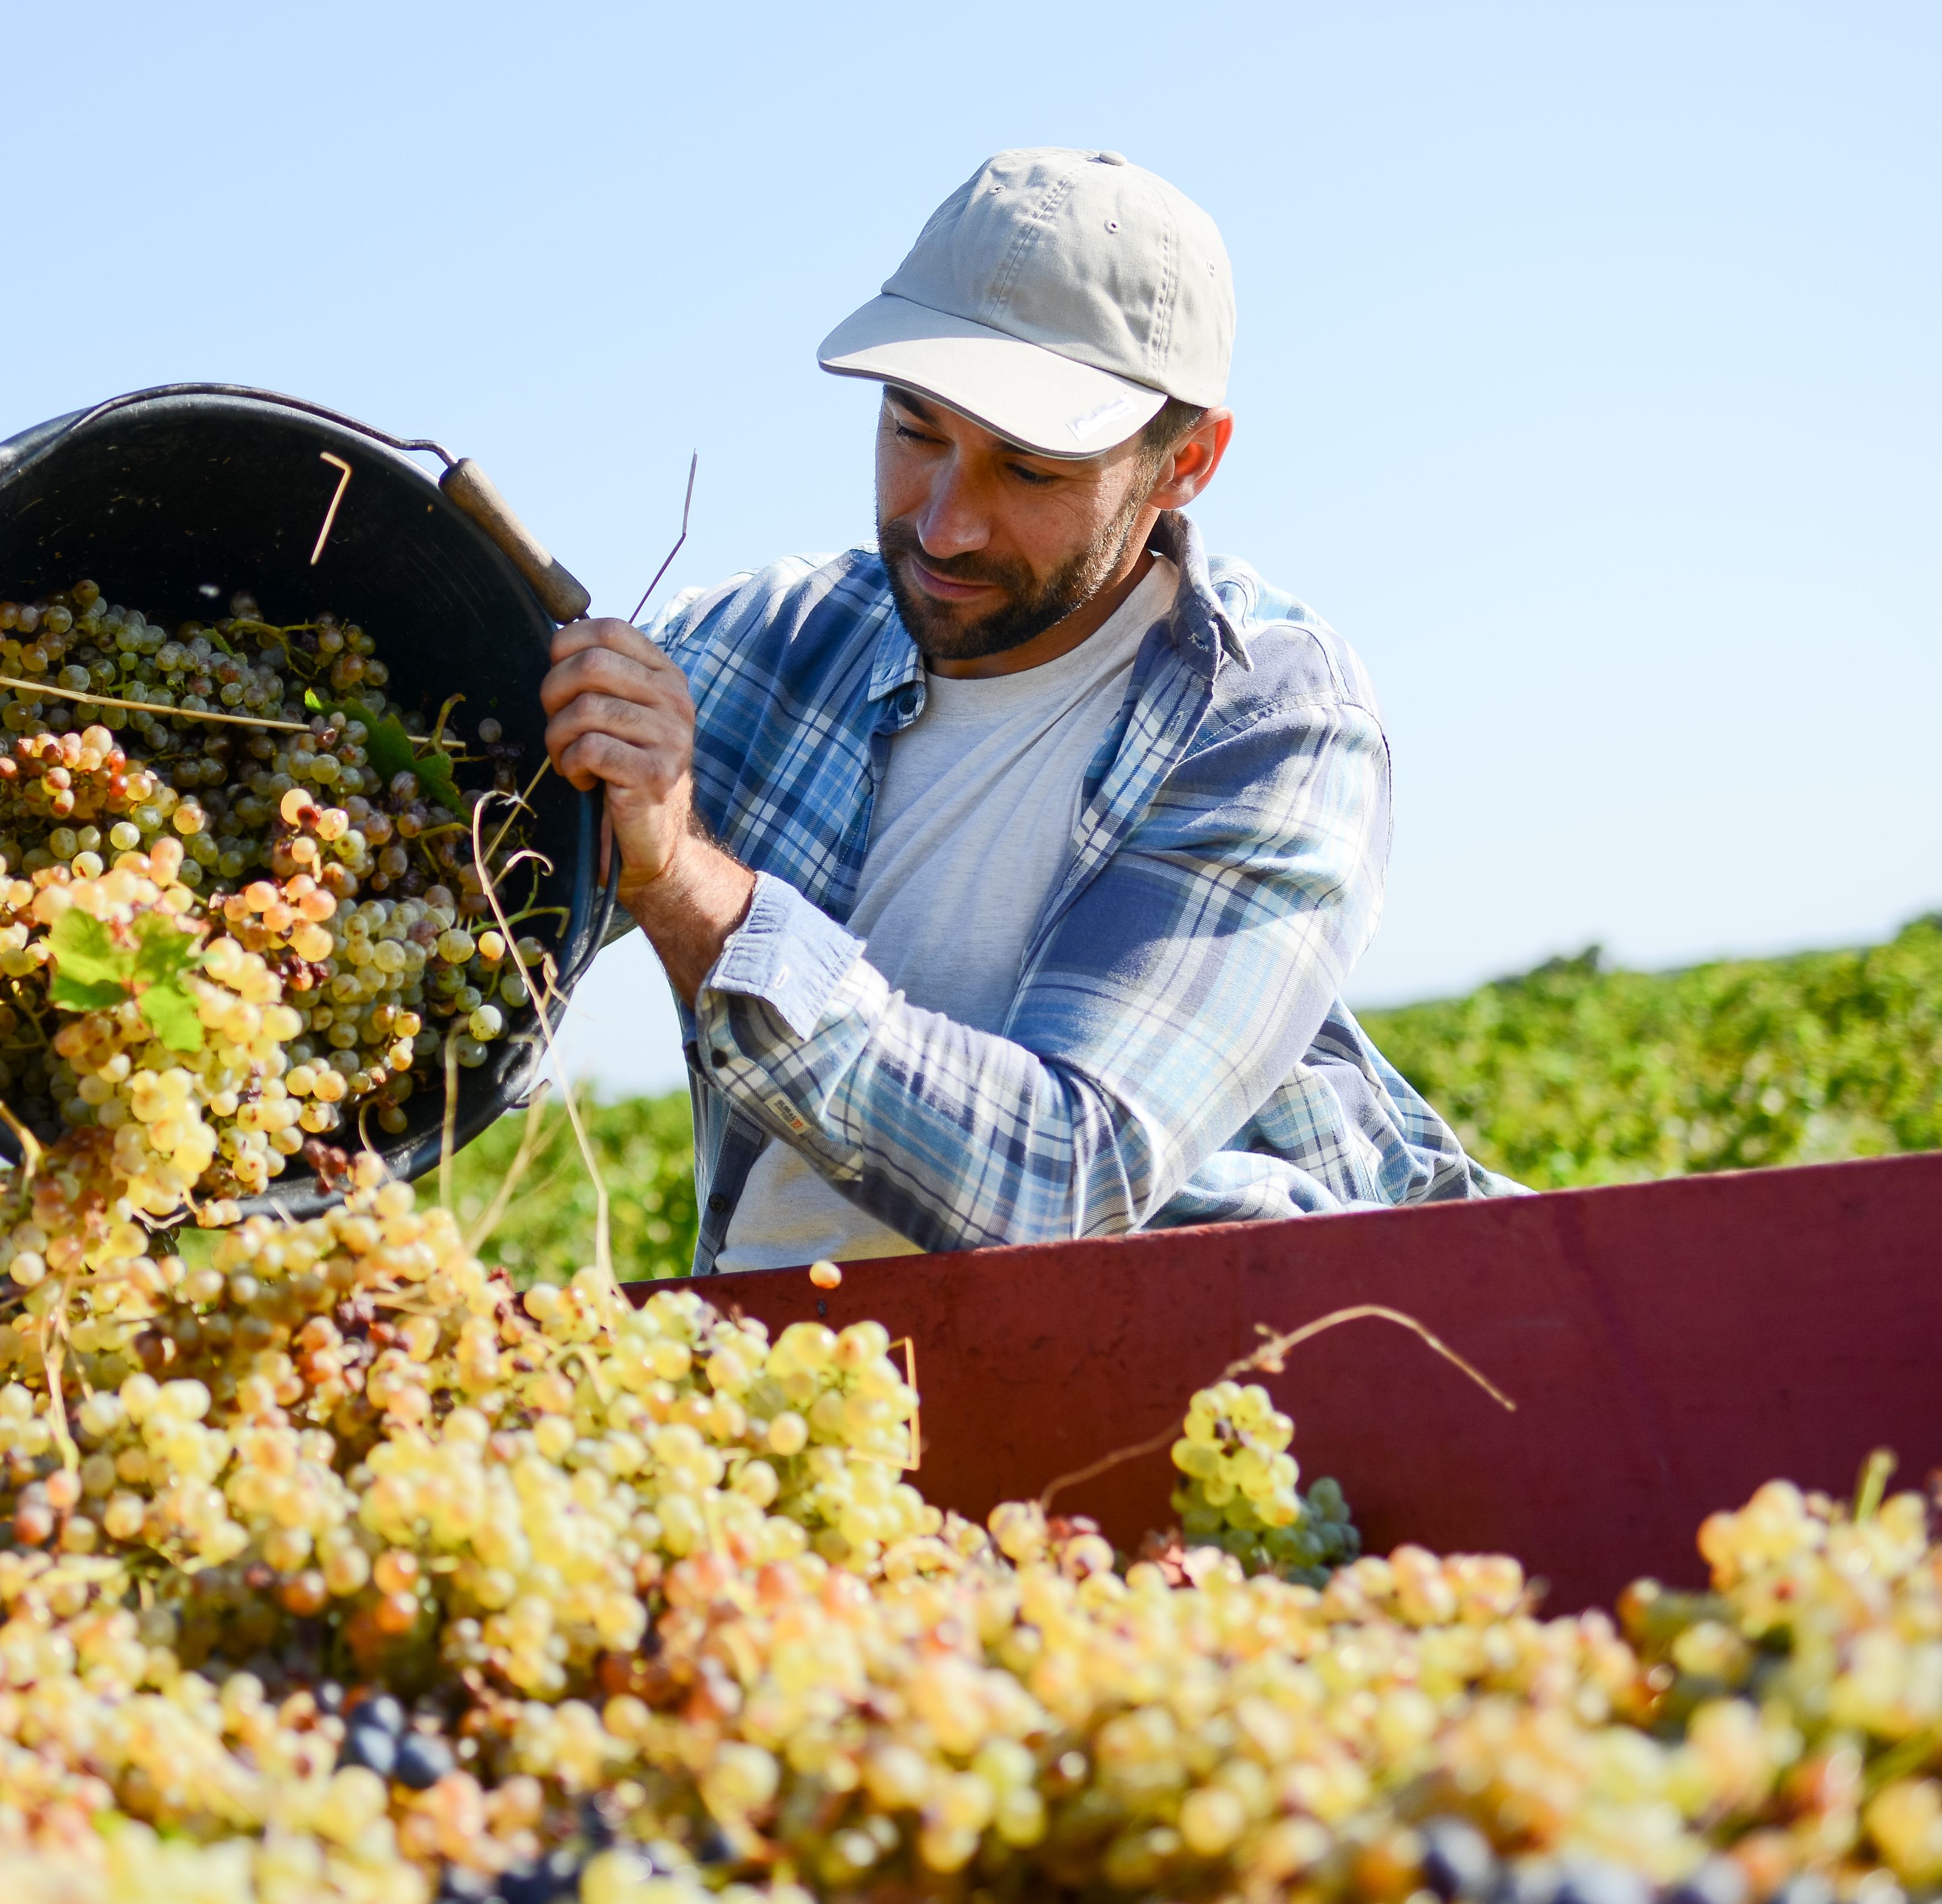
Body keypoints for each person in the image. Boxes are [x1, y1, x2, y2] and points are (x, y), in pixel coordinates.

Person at [541, 147, 1515, 1274]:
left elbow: (1061, 1179)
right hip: (805, 1389)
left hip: (1211, 1375)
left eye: (1033, 471)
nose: (947, 524)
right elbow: (452, 888)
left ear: (1184, 461)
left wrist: (689, 886)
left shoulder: (1267, 720)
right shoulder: (767, 647)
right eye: (915, 432)